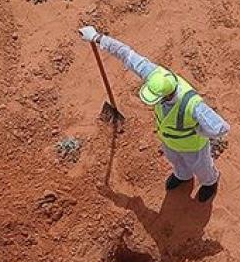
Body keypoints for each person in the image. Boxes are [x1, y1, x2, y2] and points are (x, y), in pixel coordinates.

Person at [77, 25, 230, 202]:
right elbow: (127, 54)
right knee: (176, 161)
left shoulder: (193, 105)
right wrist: (97, 37)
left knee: (202, 168)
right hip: (168, 141)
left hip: (192, 147)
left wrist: (198, 132)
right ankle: (183, 176)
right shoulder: (155, 75)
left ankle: (210, 182)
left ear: (168, 95)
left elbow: (221, 127)